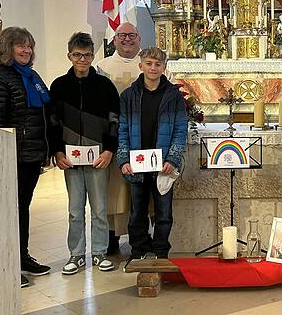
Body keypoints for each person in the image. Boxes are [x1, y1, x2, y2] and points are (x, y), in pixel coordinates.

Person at [0, 27, 52, 288]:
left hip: (28, 155)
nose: (26, 50)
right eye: (20, 46)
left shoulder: (30, 76)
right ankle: (5, 265)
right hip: (6, 158)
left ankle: (21, 256)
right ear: (7, 47)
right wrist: (2, 157)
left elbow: (39, 116)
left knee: (21, 208)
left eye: (29, 46)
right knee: (5, 211)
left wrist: (44, 150)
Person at [49, 33, 120, 275]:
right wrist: (57, 151)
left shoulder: (104, 86)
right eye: (77, 55)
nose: (82, 59)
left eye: (87, 55)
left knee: (100, 209)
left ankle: (99, 252)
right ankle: (76, 254)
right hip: (70, 158)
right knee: (74, 209)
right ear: (69, 55)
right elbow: (53, 121)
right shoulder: (59, 86)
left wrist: (110, 150)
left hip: (98, 157)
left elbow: (114, 120)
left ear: (93, 56)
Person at [117, 47, 187, 267]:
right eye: (149, 63)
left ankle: (160, 251)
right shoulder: (129, 95)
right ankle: (138, 250)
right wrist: (124, 159)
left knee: (163, 212)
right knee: (137, 211)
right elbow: (122, 129)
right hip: (137, 163)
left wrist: (172, 159)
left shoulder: (173, 96)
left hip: (163, 164)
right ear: (141, 66)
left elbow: (180, 130)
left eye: (158, 64)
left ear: (164, 67)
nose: (153, 68)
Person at [95, 22, 142, 254]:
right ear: (114, 40)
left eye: (131, 36)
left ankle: (140, 234)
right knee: (114, 189)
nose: (127, 40)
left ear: (139, 39)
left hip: (143, 135)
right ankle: (112, 236)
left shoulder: (148, 65)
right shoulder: (102, 67)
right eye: (122, 36)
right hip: (113, 136)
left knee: (141, 187)